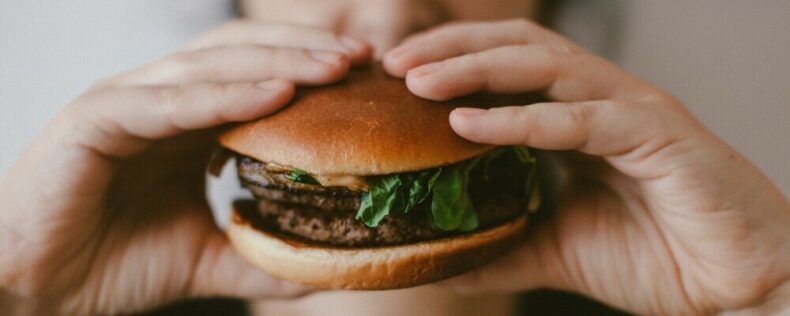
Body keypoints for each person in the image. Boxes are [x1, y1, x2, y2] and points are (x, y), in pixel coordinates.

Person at [1, 1, 788, 315]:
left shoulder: (694, 301)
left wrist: (770, 282)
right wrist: (16, 286)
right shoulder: (80, 296)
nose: (389, 16)